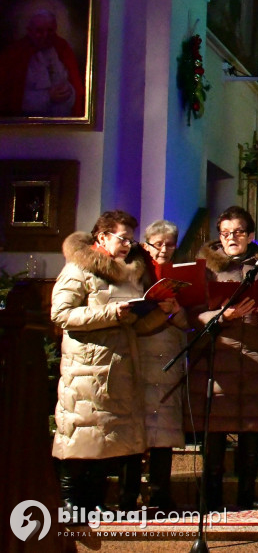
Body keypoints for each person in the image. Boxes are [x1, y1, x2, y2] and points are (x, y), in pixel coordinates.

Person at [51, 210, 177, 512]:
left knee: (106, 437)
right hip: (86, 366)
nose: (127, 245)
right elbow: (61, 314)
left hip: (120, 365)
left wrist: (162, 311)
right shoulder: (77, 269)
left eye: (130, 240)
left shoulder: (128, 272)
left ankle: (94, 501)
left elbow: (135, 323)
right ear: (102, 236)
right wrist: (110, 313)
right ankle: (69, 501)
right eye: (122, 238)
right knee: (80, 431)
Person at [188, 206, 258, 511]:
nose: (231, 238)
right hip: (219, 360)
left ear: (251, 235)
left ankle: (247, 493)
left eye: (238, 232)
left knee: (252, 431)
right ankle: (212, 495)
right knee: (214, 431)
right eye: (225, 232)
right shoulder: (205, 268)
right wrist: (221, 314)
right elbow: (192, 313)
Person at [134, 220, 191, 512]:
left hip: (170, 357)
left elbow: (189, 324)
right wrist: (158, 312)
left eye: (170, 244)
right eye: (158, 244)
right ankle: (128, 494)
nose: (164, 249)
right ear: (146, 245)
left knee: (165, 431)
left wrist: (177, 312)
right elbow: (132, 321)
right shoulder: (136, 271)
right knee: (135, 431)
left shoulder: (183, 275)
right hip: (140, 356)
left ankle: (160, 494)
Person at [0, 9, 86, 117]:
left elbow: (77, 87)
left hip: (63, 126)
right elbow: (12, 98)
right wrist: (47, 96)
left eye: (50, 31)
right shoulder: (15, 53)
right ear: (29, 31)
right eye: (39, 31)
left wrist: (69, 92)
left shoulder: (62, 48)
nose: (45, 36)